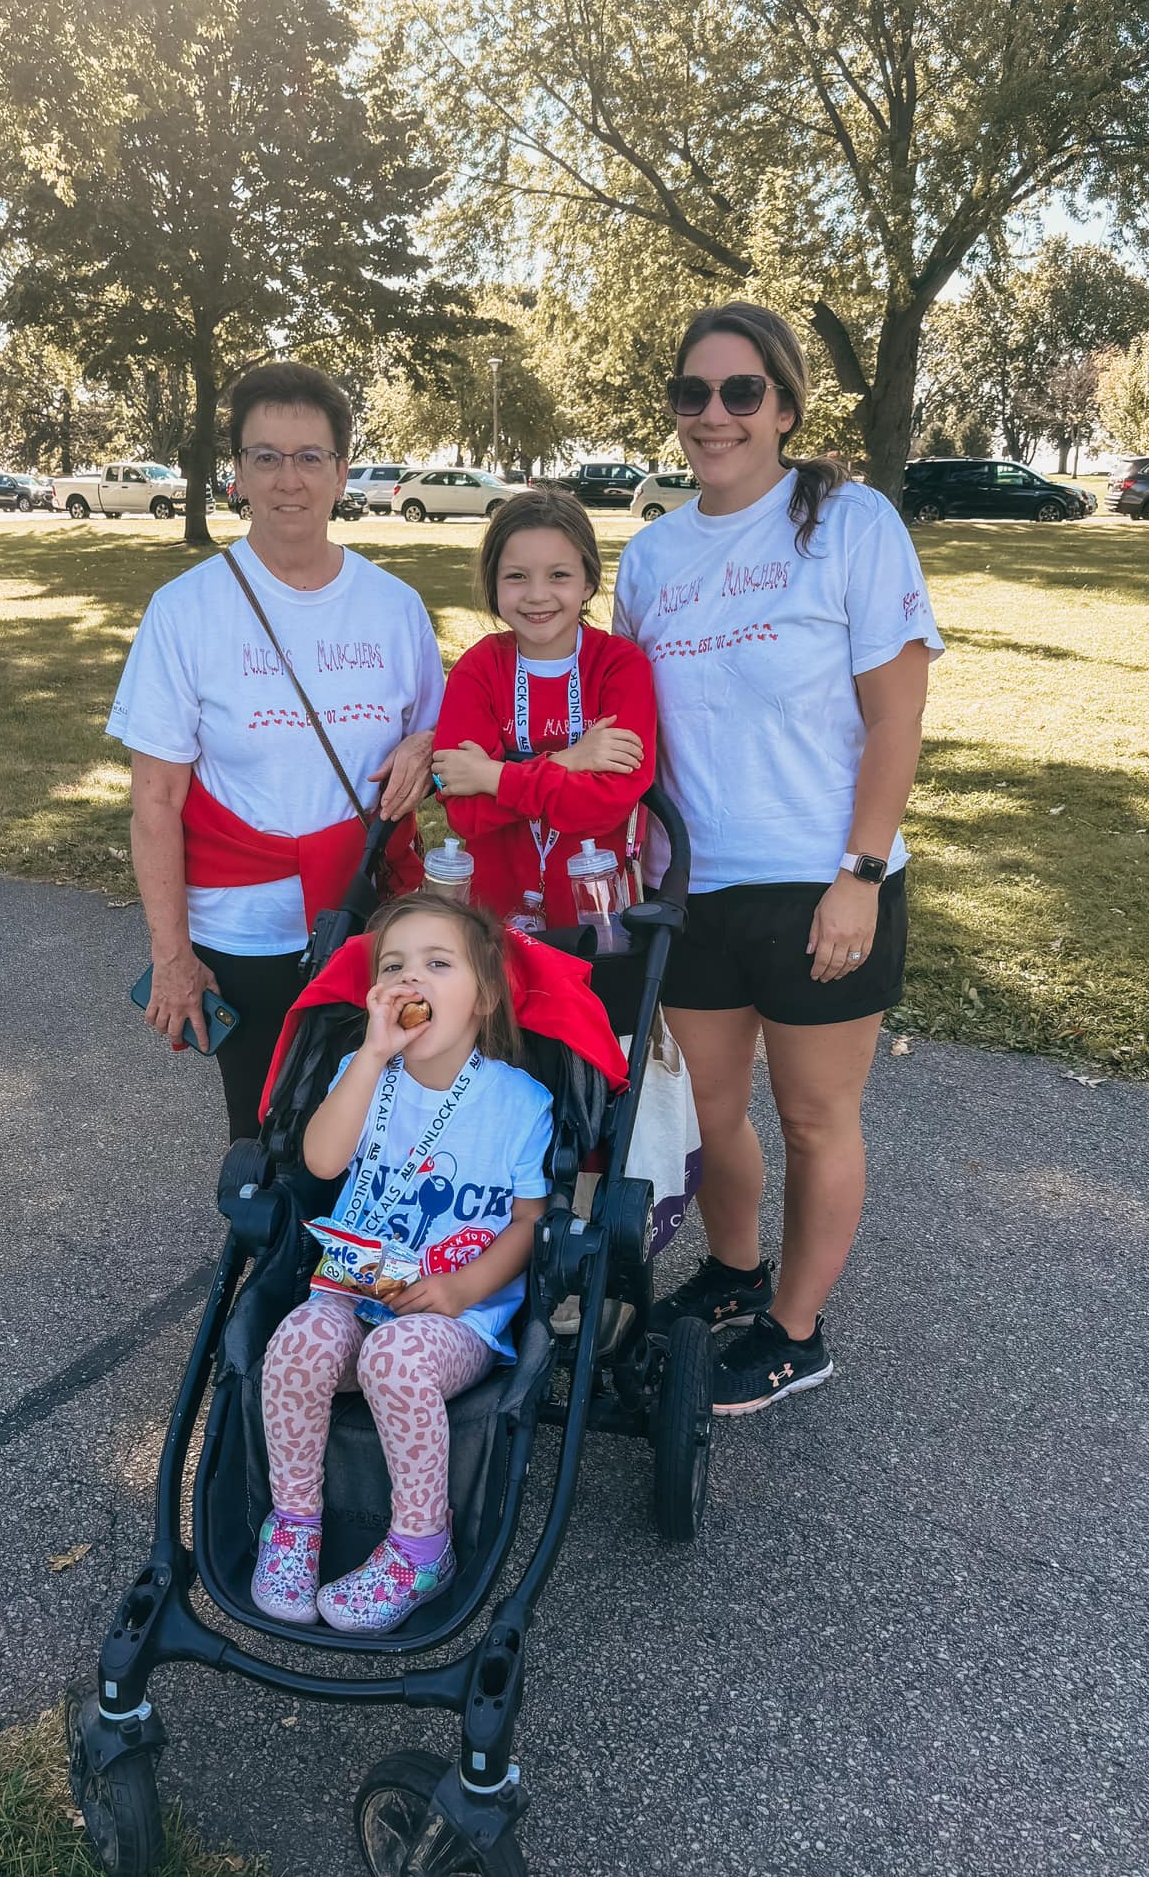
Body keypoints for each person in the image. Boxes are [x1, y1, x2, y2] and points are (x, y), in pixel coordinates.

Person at [613, 301, 944, 1417]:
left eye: (741, 392)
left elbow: (896, 718)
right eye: (692, 394)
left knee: (812, 1116)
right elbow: (635, 729)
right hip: (692, 885)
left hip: (821, 882)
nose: (715, 415)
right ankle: (734, 1268)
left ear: (786, 405)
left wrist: (859, 869)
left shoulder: (849, 523)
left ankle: (798, 1330)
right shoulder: (652, 556)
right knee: (706, 1113)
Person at [107, 362, 442, 1143]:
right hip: (242, 925)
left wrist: (427, 745)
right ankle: (270, 1254)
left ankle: (354, 1265)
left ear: (341, 473)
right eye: (266, 456)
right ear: (238, 475)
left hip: (368, 912)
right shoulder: (185, 610)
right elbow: (155, 801)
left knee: (381, 1119)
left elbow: (436, 736)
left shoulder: (396, 607)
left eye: (308, 456)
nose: (288, 479)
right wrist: (172, 956)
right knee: (261, 1125)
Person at [252, 893, 553, 1634]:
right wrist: (373, 1055)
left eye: (437, 964)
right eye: (394, 966)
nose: (411, 979)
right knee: (297, 1341)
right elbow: (322, 1159)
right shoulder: (366, 1071)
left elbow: (530, 1224)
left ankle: (422, 1549)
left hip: (455, 1317)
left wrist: (463, 1288)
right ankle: (293, 1525)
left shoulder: (520, 1102)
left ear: (483, 996)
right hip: (353, 1292)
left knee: (395, 1357)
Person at [431, 488, 656, 926]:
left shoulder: (620, 667)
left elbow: (608, 804)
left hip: (600, 918)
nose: (537, 595)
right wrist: (572, 760)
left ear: (588, 581)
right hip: (494, 922)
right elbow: (463, 811)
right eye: (516, 576)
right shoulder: (477, 670)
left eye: (558, 576)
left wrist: (495, 776)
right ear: (493, 583)